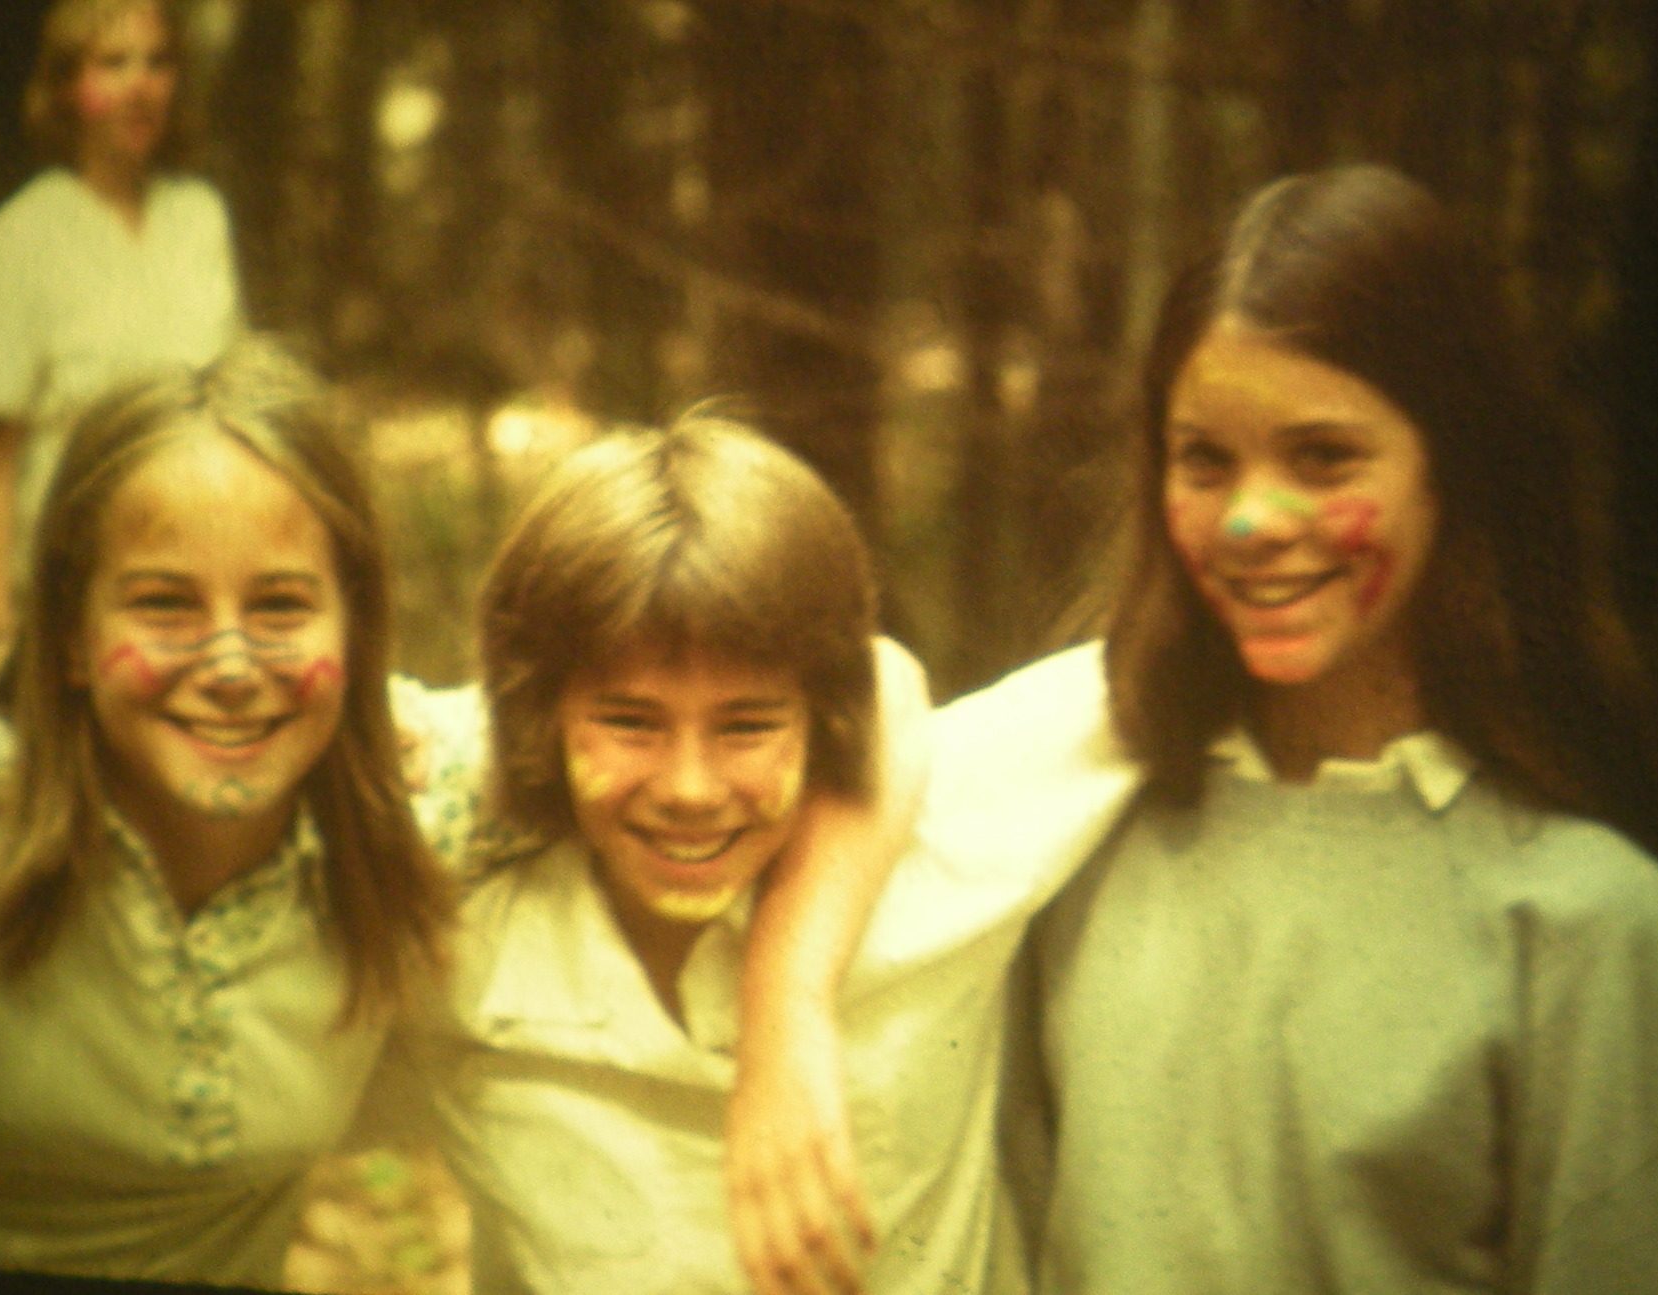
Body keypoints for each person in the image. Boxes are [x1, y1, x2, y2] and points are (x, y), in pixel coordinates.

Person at [0, 341, 892, 1288]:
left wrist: (785, 1015)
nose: (233, 664)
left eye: (282, 606)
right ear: (67, 631)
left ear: (358, 620)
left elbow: (876, 683)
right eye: (163, 603)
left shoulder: (421, 796)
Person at [1003, 163, 1658, 1292]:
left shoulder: (1588, 920)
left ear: (1451, 466)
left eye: (1322, 458)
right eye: (1204, 459)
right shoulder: (1066, 831)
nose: (1250, 520)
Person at [374, 414, 1139, 1293]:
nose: (690, 787)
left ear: (826, 715)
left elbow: (1161, 653)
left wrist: (787, 1004)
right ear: (543, 714)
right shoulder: (448, 935)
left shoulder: (951, 838)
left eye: (748, 724)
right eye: (629, 721)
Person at [0, 0, 242, 643]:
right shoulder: (21, 235)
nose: (139, 87)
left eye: (158, 62)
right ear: (64, 87)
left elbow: (238, 410)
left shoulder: (200, 218)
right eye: (112, 64)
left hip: (205, 573)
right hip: (71, 590)